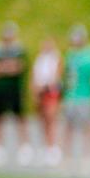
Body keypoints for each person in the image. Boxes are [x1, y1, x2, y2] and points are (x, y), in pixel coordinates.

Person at [0, 22, 32, 167]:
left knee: (19, 117)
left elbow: (18, 67)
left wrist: (1, 68)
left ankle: (24, 147)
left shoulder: (19, 49)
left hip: (14, 90)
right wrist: (5, 67)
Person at [61, 25, 90, 176]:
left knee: (87, 128)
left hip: (86, 96)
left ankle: (88, 159)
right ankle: (67, 159)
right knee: (68, 128)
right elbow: (66, 75)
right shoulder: (71, 54)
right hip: (71, 97)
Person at [30, 37, 63, 165]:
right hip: (40, 92)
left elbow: (56, 77)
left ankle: (53, 147)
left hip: (50, 92)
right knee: (43, 120)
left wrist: (44, 87)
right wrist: (35, 90)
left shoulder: (56, 58)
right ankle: (46, 146)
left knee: (51, 119)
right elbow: (34, 76)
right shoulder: (39, 59)